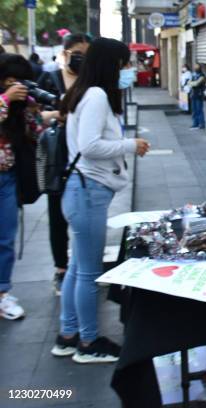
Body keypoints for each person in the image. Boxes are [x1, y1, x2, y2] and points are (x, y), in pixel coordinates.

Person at [50, 38, 150, 363]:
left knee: (78, 267)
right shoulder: (95, 96)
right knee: (88, 272)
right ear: (111, 65)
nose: (127, 70)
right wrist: (128, 145)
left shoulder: (85, 93)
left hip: (82, 191)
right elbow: (90, 145)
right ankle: (89, 343)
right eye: (124, 64)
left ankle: (68, 335)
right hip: (87, 191)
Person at [38, 33, 91, 296]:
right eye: (78, 53)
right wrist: (56, 115)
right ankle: (61, 269)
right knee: (57, 217)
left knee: (84, 216)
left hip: (84, 158)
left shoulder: (89, 82)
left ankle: (82, 266)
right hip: (57, 158)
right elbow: (33, 113)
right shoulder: (50, 79)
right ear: (66, 53)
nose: (82, 59)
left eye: (86, 54)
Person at [0, 53, 45, 320]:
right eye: (9, 81)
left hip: (8, 177)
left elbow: (35, 131)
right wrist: (5, 99)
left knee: (6, 238)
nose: (14, 86)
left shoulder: (20, 105)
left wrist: (35, 110)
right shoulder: (5, 100)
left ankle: (3, 292)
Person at [188, 63, 206, 130]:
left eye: (197, 66)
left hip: (199, 95)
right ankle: (195, 124)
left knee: (199, 110)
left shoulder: (202, 76)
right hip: (193, 95)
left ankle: (201, 124)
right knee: (194, 110)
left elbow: (197, 83)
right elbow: (188, 82)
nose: (195, 67)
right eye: (195, 66)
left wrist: (192, 83)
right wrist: (192, 83)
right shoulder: (193, 75)